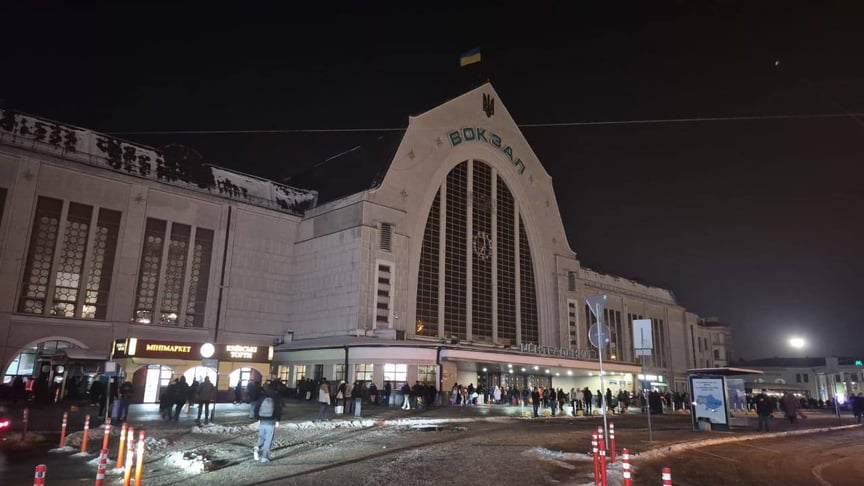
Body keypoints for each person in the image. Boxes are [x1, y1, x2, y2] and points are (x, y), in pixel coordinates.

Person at [252, 382, 282, 463]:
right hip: (271, 421)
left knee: (261, 436)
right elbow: (278, 410)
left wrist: (257, 418)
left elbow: (256, 408)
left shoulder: (262, 397)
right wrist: (278, 420)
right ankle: (265, 457)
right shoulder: (275, 397)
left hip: (262, 420)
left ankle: (257, 447)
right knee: (268, 439)